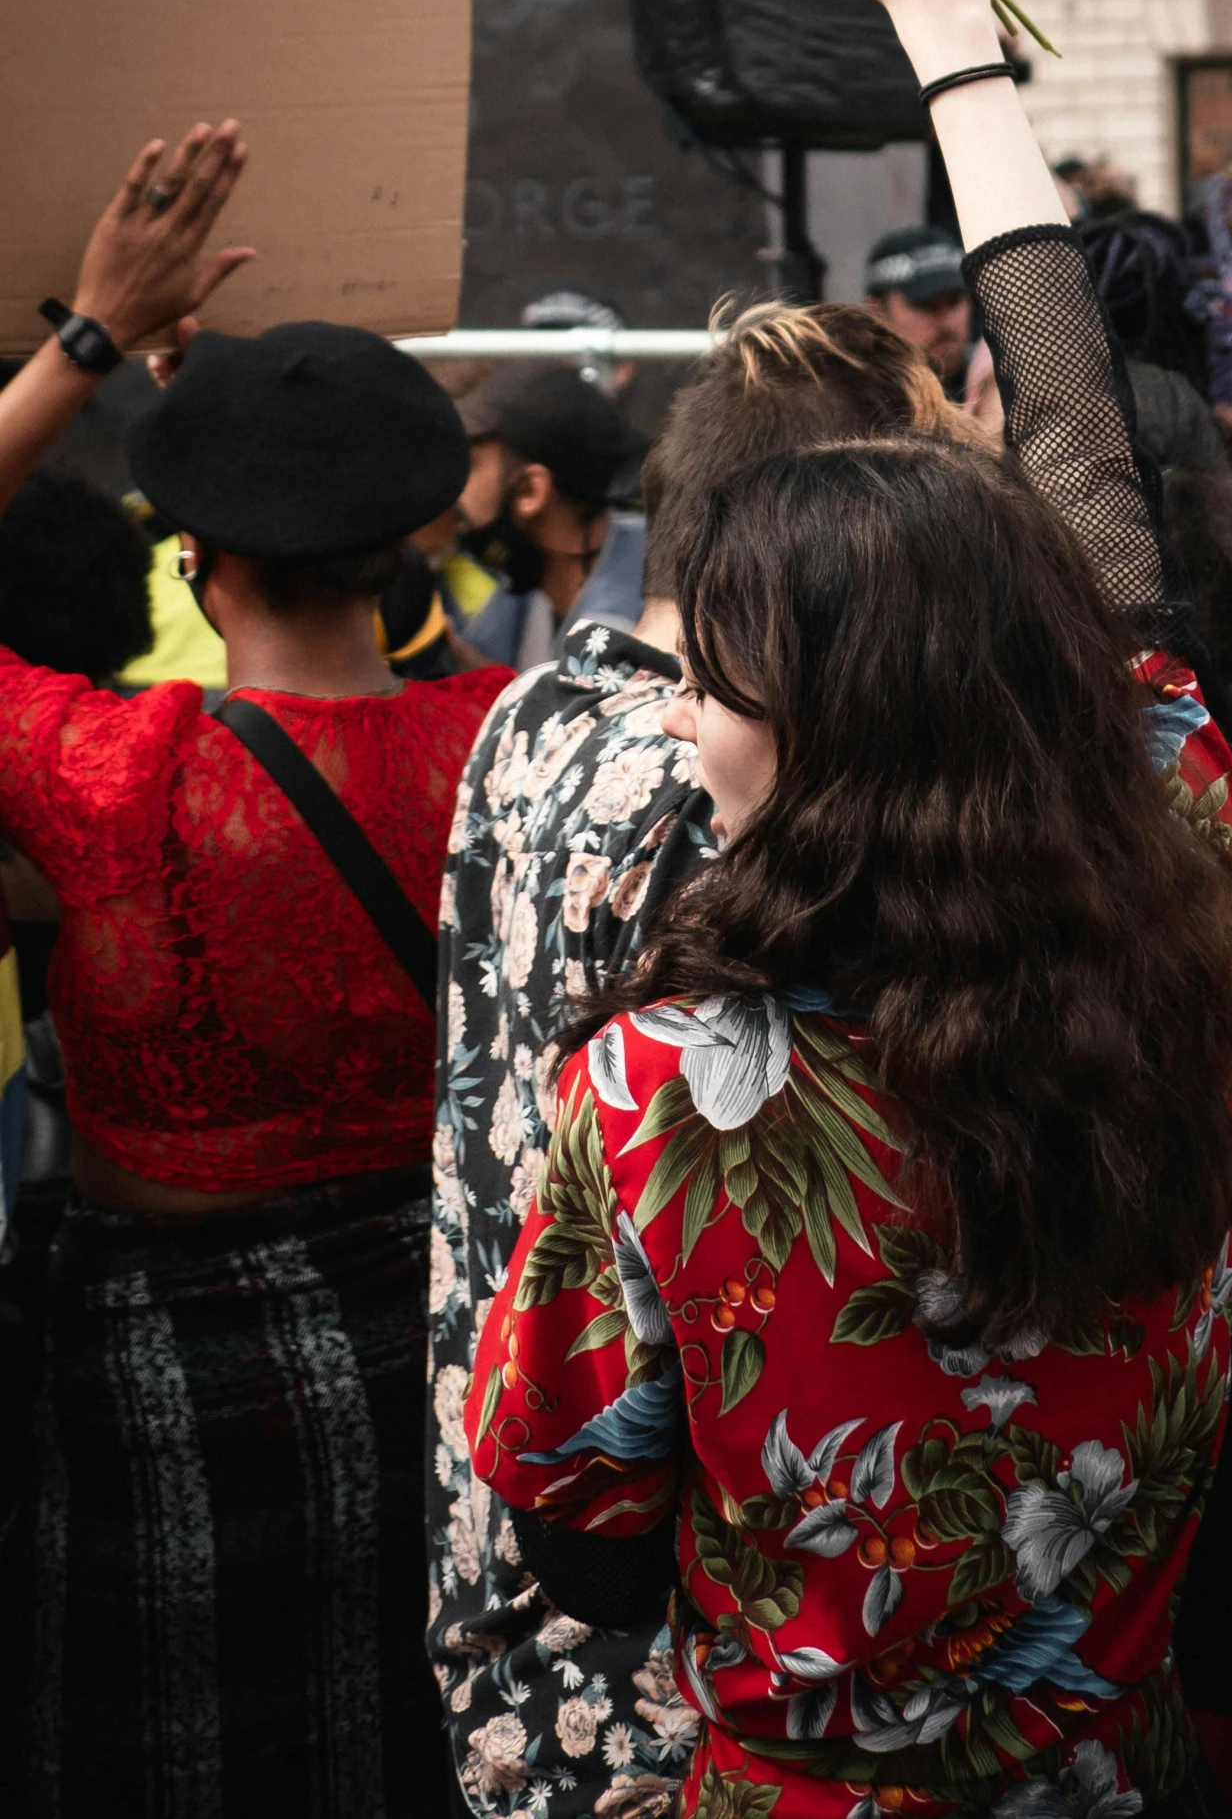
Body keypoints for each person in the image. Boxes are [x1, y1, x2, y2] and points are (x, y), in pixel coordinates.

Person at [463, 0, 1232, 1818]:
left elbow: (570, 1507)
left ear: (821, 727)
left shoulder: (657, 1083)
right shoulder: (1179, 926)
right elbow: (1087, 474)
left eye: (717, 672)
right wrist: (946, 34)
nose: (685, 709)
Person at [0, 120, 513, 1818]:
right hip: (444, 1334)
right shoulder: (518, 743)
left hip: (157, 1362)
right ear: (413, 537)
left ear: (187, 554)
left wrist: (86, 337)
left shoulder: (105, 769)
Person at [430, 300, 987, 1817]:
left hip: (554, 1529)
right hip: (703, 1616)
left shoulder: (530, 711)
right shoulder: (728, 846)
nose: (686, 717)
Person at [458, 364, 649, 670]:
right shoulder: (531, 585)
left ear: (531, 491)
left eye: (471, 464)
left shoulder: (620, 625)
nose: (454, 488)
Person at [861, 223, 972, 387]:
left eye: (954, 301)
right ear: (876, 313)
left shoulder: (1001, 379)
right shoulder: (856, 399)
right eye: (925, 305)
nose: (945, 320)